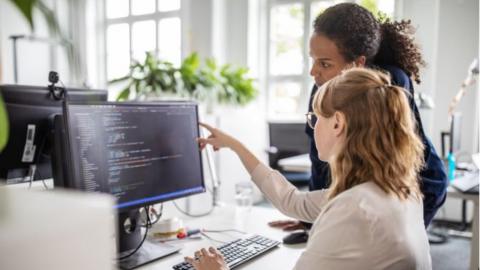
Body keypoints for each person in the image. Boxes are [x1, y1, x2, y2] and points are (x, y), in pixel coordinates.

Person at [186, 67, 431, 270]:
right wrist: (236, 146)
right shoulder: (395, 189)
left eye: (315, 119)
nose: (312, 128)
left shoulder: (354, 209)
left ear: (337, 123)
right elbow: (295, 202)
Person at [270, 3, 447, 234]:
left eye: (325, 63)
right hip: (365, 194)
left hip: (417, 186)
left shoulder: (388, 83)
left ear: (358, 63)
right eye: (313, 59)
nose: (313, 72)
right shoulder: (321, 88)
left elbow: (382, 168)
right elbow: (320, 162)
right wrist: (311, 219)